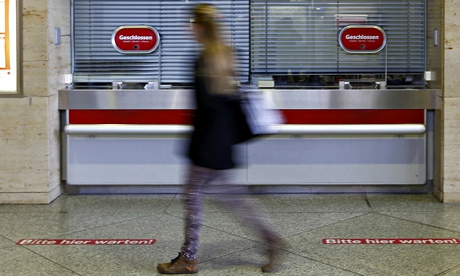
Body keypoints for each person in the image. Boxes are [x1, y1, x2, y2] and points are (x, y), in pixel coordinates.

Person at [156, 3, 285, 274]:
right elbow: (226, 101)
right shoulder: (227, 55)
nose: (187, 28)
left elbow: (205, 106)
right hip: (222, 141)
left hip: (207, 143)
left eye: (191, 23)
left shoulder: (202, 60)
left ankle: (188, 259)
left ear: (200, 26)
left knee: (193, 196)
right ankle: (272, 240)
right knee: (232, 197)